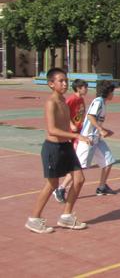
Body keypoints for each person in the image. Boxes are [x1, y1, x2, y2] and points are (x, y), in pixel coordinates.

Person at [25, 68, 90, 234]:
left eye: (66, 80)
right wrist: (75, 135)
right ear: (51, 84)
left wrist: (75, 127)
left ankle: (66, 216)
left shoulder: (63, 101)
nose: (65, 83)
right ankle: (34, 219)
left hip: (66, 147)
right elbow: (52, 130)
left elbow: (67, 123)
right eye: (61, 81)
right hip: (53, 148)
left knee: (79, 179)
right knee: (52, 184)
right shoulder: (51, 103)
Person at [75, 80, 117, 195]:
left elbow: (96, 120)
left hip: (97, 139)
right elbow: (90, 116)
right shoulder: (98, 101)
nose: (113, 94)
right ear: (107, 92)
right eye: (112, 92)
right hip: (88, 139)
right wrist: (100, 129)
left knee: (108, 161)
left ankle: (102, 187)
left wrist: (104, 130)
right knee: (79, 166)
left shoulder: (102, 103)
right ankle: (61, 188)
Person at [53, 79, 88, 203]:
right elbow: (64, 112)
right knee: (76, 164)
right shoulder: (72, 99)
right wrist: (71, 124)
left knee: (77, 164)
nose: (86, 89)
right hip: (72, 134)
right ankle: (60, 188)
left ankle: (61, 188)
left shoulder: (81, 100)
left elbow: (79, 115)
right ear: (78, 88)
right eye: (84, 87)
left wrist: (81, 124)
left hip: (78, 133)